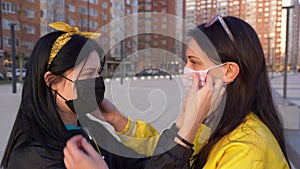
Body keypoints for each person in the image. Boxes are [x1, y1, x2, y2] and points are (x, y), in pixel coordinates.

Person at [64, 14, 291, 169]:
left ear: (228, 71)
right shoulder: (215, 119)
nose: (186, 70)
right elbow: (164, 152)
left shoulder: (248, 151)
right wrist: (117, 120)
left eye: (194, 62)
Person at [0, 22, 135, 169]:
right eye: (88, 74)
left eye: (98, 72)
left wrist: (118, 120)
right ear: (52, 81)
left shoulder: (91, 129)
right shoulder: (33, 158)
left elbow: (138, 161)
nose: (97, 81)